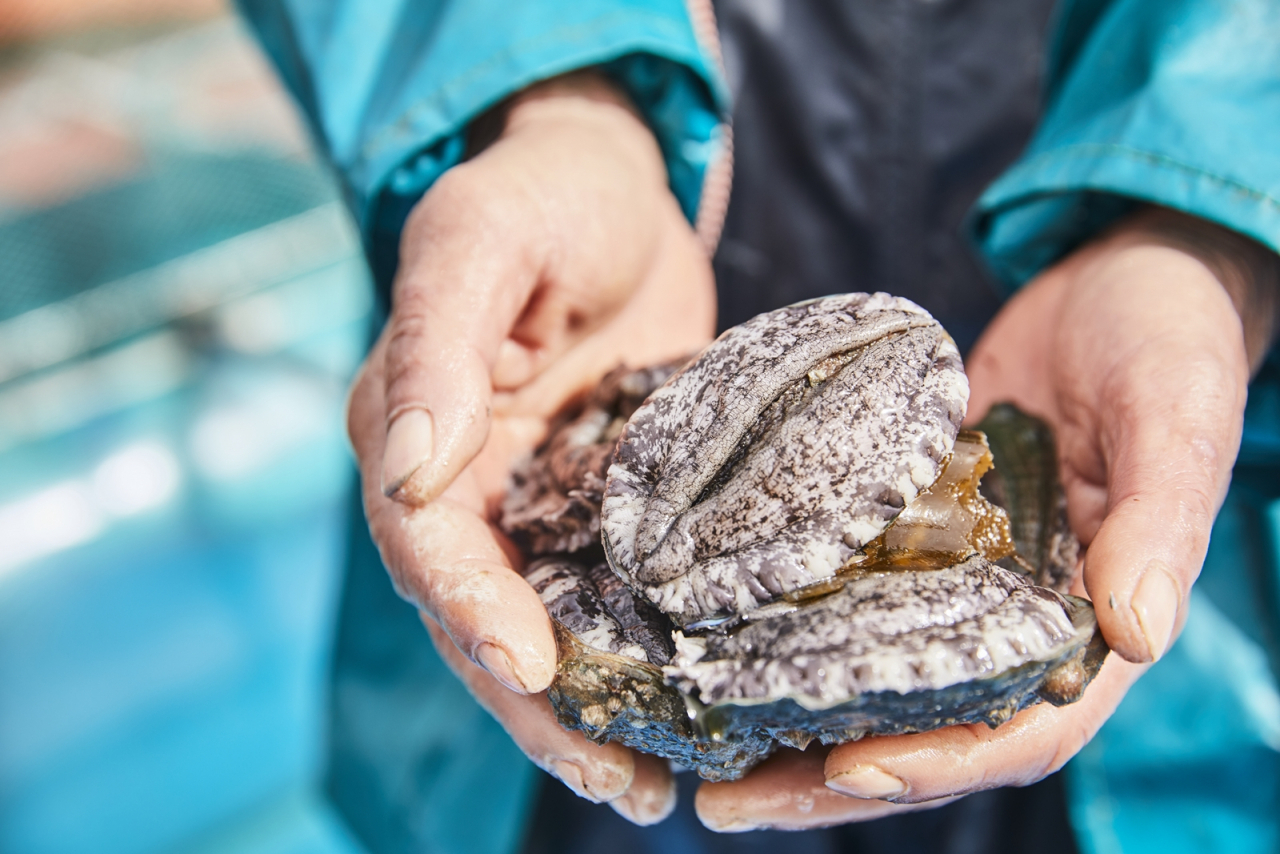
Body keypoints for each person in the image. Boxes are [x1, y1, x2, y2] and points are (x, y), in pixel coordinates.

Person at [237, 1, 1280, 852]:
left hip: (1120, 545)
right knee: (578, 741)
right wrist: (547, 96)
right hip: (619, 280)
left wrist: (1209, 214)